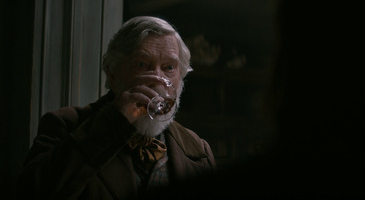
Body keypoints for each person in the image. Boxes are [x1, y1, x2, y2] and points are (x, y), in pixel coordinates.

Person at [16, 16, 216, 200]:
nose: (157, 80)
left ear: (180, 79)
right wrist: (114, 121)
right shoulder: (66, 124)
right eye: (142, 64)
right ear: (113, 74)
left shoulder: (198, 150)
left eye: (169, 67)